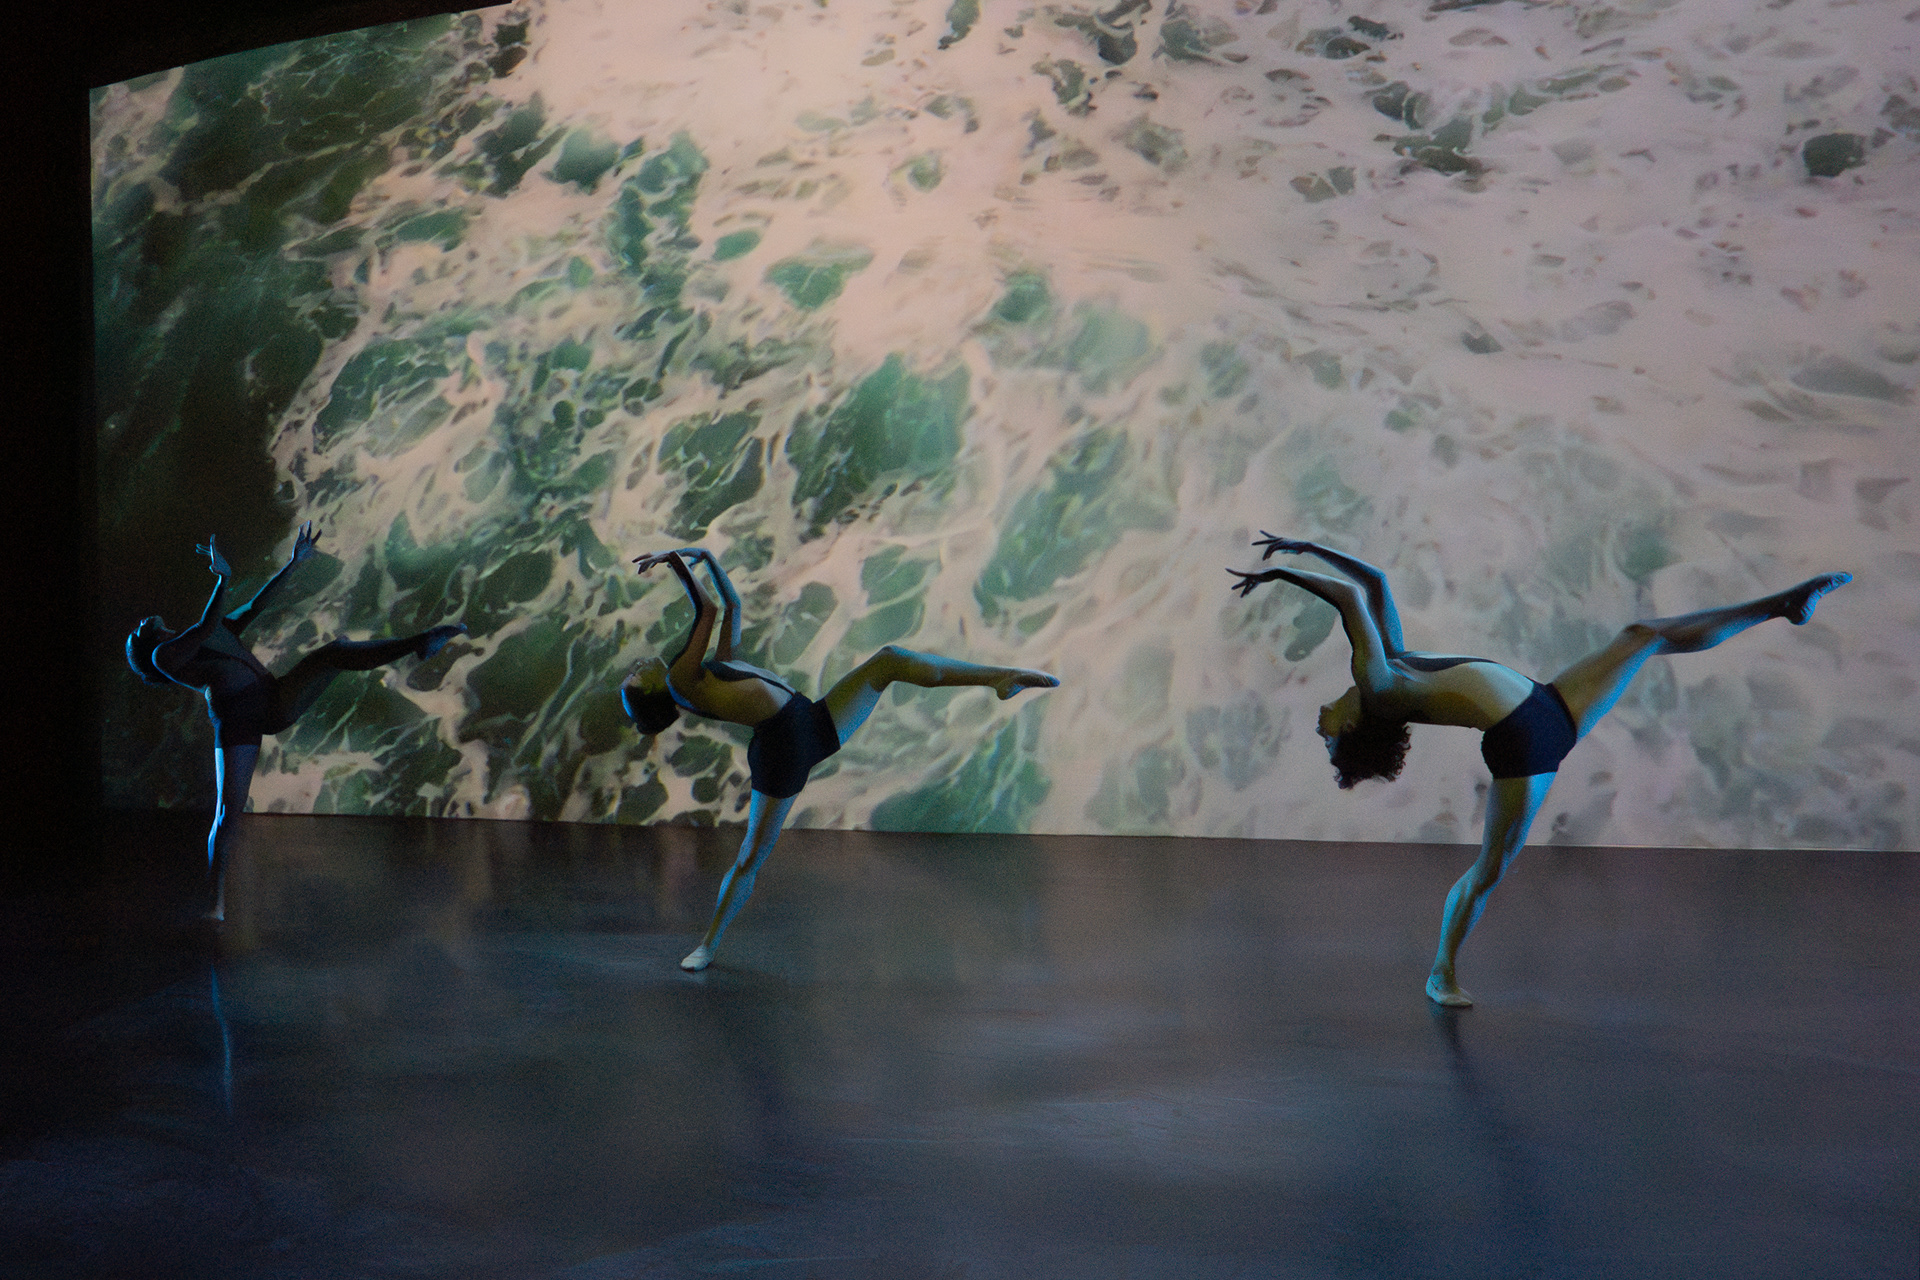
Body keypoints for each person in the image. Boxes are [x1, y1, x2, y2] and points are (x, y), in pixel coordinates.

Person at [1228, 534, 1850, 1008]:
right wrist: (1283, 572)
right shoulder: (1380, 687)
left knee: (1643, 635)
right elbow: (1349, 601)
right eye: (1327, 736)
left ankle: (1783, 605)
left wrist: (1308, 548)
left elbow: (1373, 583)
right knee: (1491, 868)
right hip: (1521, 742)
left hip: (1549, 705)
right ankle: (1442, 973)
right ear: (1355, 727)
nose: (1320, 722)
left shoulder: (1392, 659)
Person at [622, 548, 1059, 971]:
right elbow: (707, 611)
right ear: (653, 692)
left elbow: (730, 605)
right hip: (782, 752)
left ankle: (1001, 679)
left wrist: (706, 558)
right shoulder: (681, 683)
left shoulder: (713, 670)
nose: (637, 666)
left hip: (813, 720)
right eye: (635, 677)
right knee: (752, 856)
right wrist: (676, 559)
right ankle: (707, 946)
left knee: (889, 661)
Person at [126, 524, 464, 920]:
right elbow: (203, 629)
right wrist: (223, 579)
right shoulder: (163, 658)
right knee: (227, 813)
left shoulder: (213, 630)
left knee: (335, 652)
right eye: (135, 634)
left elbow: (256, 606)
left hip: (274, 699)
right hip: (238, 720)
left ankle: (420, 643)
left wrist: (293, 564)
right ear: (145, 649)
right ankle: (214, 902)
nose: (138, 625)